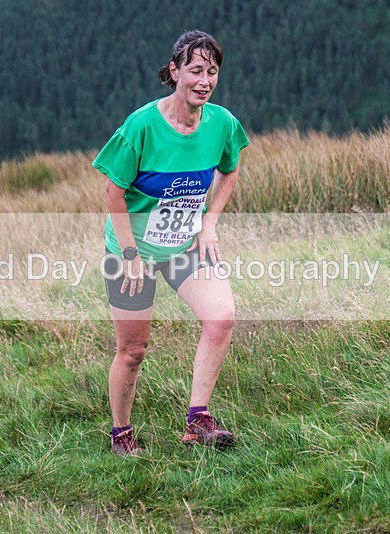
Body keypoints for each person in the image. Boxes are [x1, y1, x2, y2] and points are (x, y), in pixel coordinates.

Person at [94, 30, 250, 455]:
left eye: (212, 71)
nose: (204, 80)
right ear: (174, 72)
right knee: (133, 350)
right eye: (195, 70)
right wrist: (128, 254)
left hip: (183, 245)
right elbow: (112, 191)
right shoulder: (142, 125)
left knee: (220, 317)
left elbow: (230, 169)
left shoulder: (222, 123)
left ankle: (197, 420)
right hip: (134, 249)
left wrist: (209, 224)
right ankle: (121, 434)